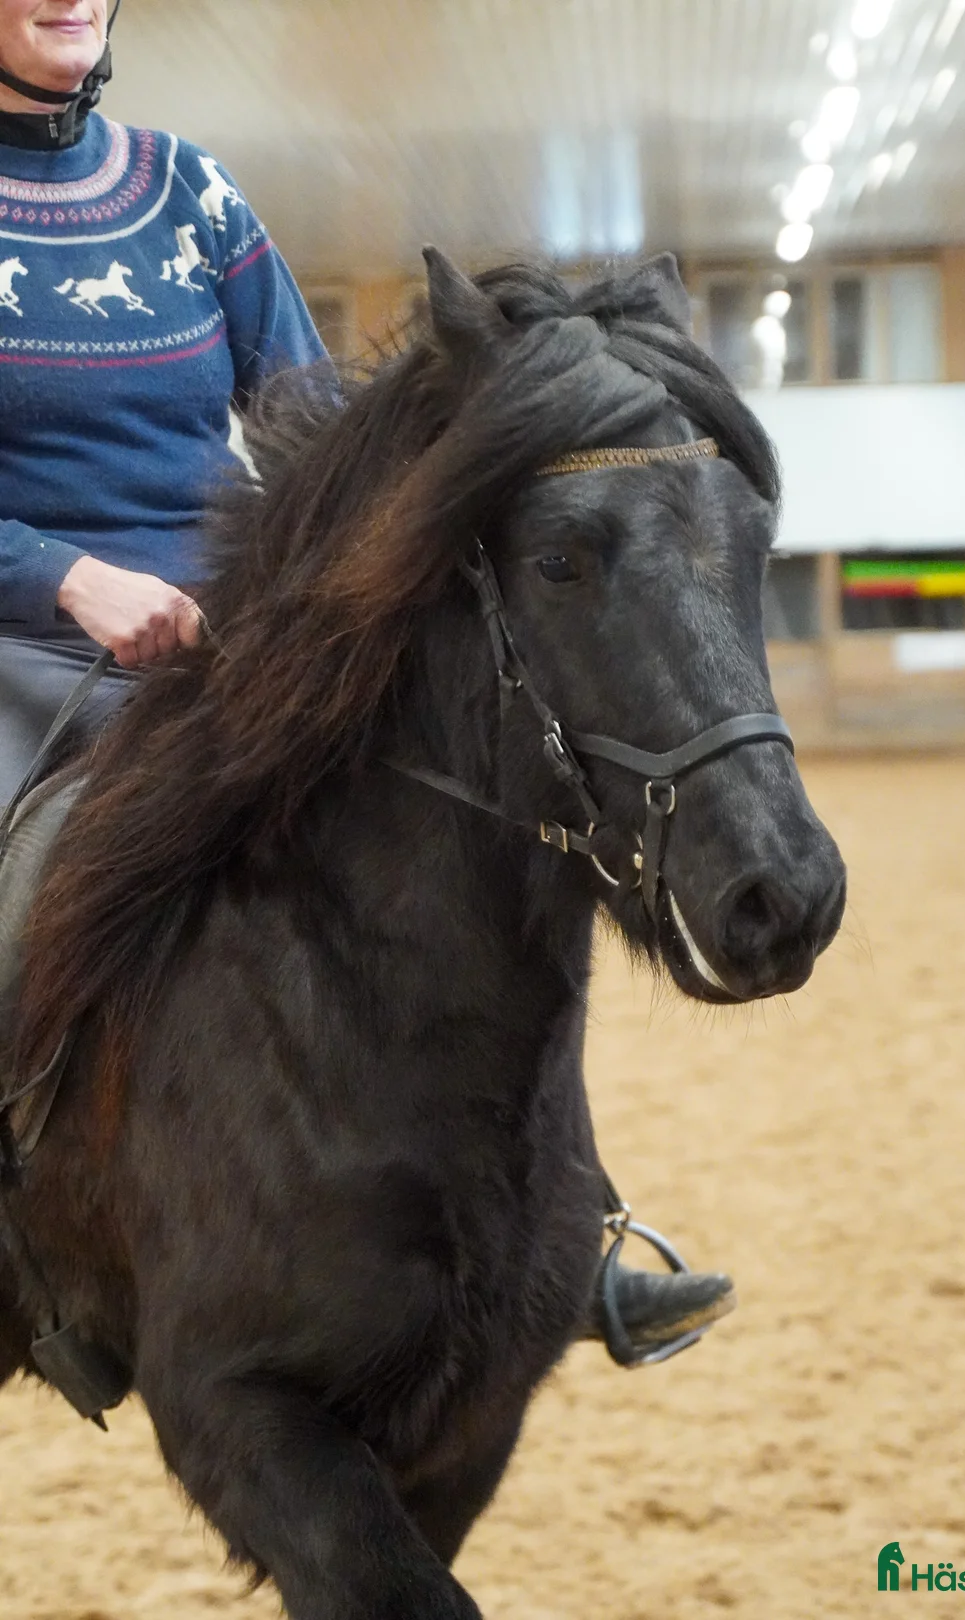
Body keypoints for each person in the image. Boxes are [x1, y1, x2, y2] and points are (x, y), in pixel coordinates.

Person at [0, 0, 733, 1363]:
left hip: (222, 625)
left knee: (466, 844)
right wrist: (68, 581)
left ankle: (564, 1224)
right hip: (27, 639)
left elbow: (304, 414)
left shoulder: (187, 192)